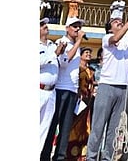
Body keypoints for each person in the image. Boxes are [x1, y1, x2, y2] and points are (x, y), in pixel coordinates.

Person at [86, 7, 128, 161]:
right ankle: (91, 157)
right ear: (109, 28)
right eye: (115, 22)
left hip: (122, 88)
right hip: (107, 86)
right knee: (98, 126)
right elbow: (116, 38)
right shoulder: (107, 38)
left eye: (120, 21)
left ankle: (107, 158)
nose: (119, 22)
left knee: (114, 129)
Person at [43, 17, 87, 161]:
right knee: (52, 125)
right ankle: (45, 155)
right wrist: (79, 42)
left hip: (72, 90)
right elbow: (64, 62)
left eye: (79, 26)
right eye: (74, 26)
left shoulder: (75, 45)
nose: (77, 29)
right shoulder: (61, 42)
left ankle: (60, 157)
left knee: (66, 127)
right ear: (67, 28)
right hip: (60, 89)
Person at [67, 47, 96, 161]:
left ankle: (82, 154)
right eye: (86, 53)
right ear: (81, 55)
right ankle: (70, 154)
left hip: (88, 102)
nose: (89, 54)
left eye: (90, 53)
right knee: (74, 126)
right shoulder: (77, 69)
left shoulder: (91, 70)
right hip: (78, 101)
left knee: (85, 127)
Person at [41, 18, 62, 150]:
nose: (45, 26)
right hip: (39, 89)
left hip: (51, 92)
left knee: (44, 128)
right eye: (41, 25)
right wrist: (55, 54)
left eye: (45, 24)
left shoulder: (52, 44)